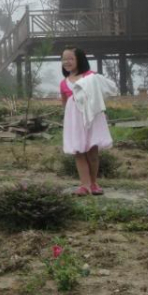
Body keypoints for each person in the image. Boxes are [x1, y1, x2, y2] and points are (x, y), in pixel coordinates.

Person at [60, 46, 117, 196]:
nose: (67, 62)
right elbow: (66, 104)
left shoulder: (90, 76)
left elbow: (105, 91)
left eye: (71, 58)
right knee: (79, 152)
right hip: (75, 121)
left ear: (79, 59)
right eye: (64, 59)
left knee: (92, 152)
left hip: (92, 119)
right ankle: (84, 185)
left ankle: (93, 183)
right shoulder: (63, 83)